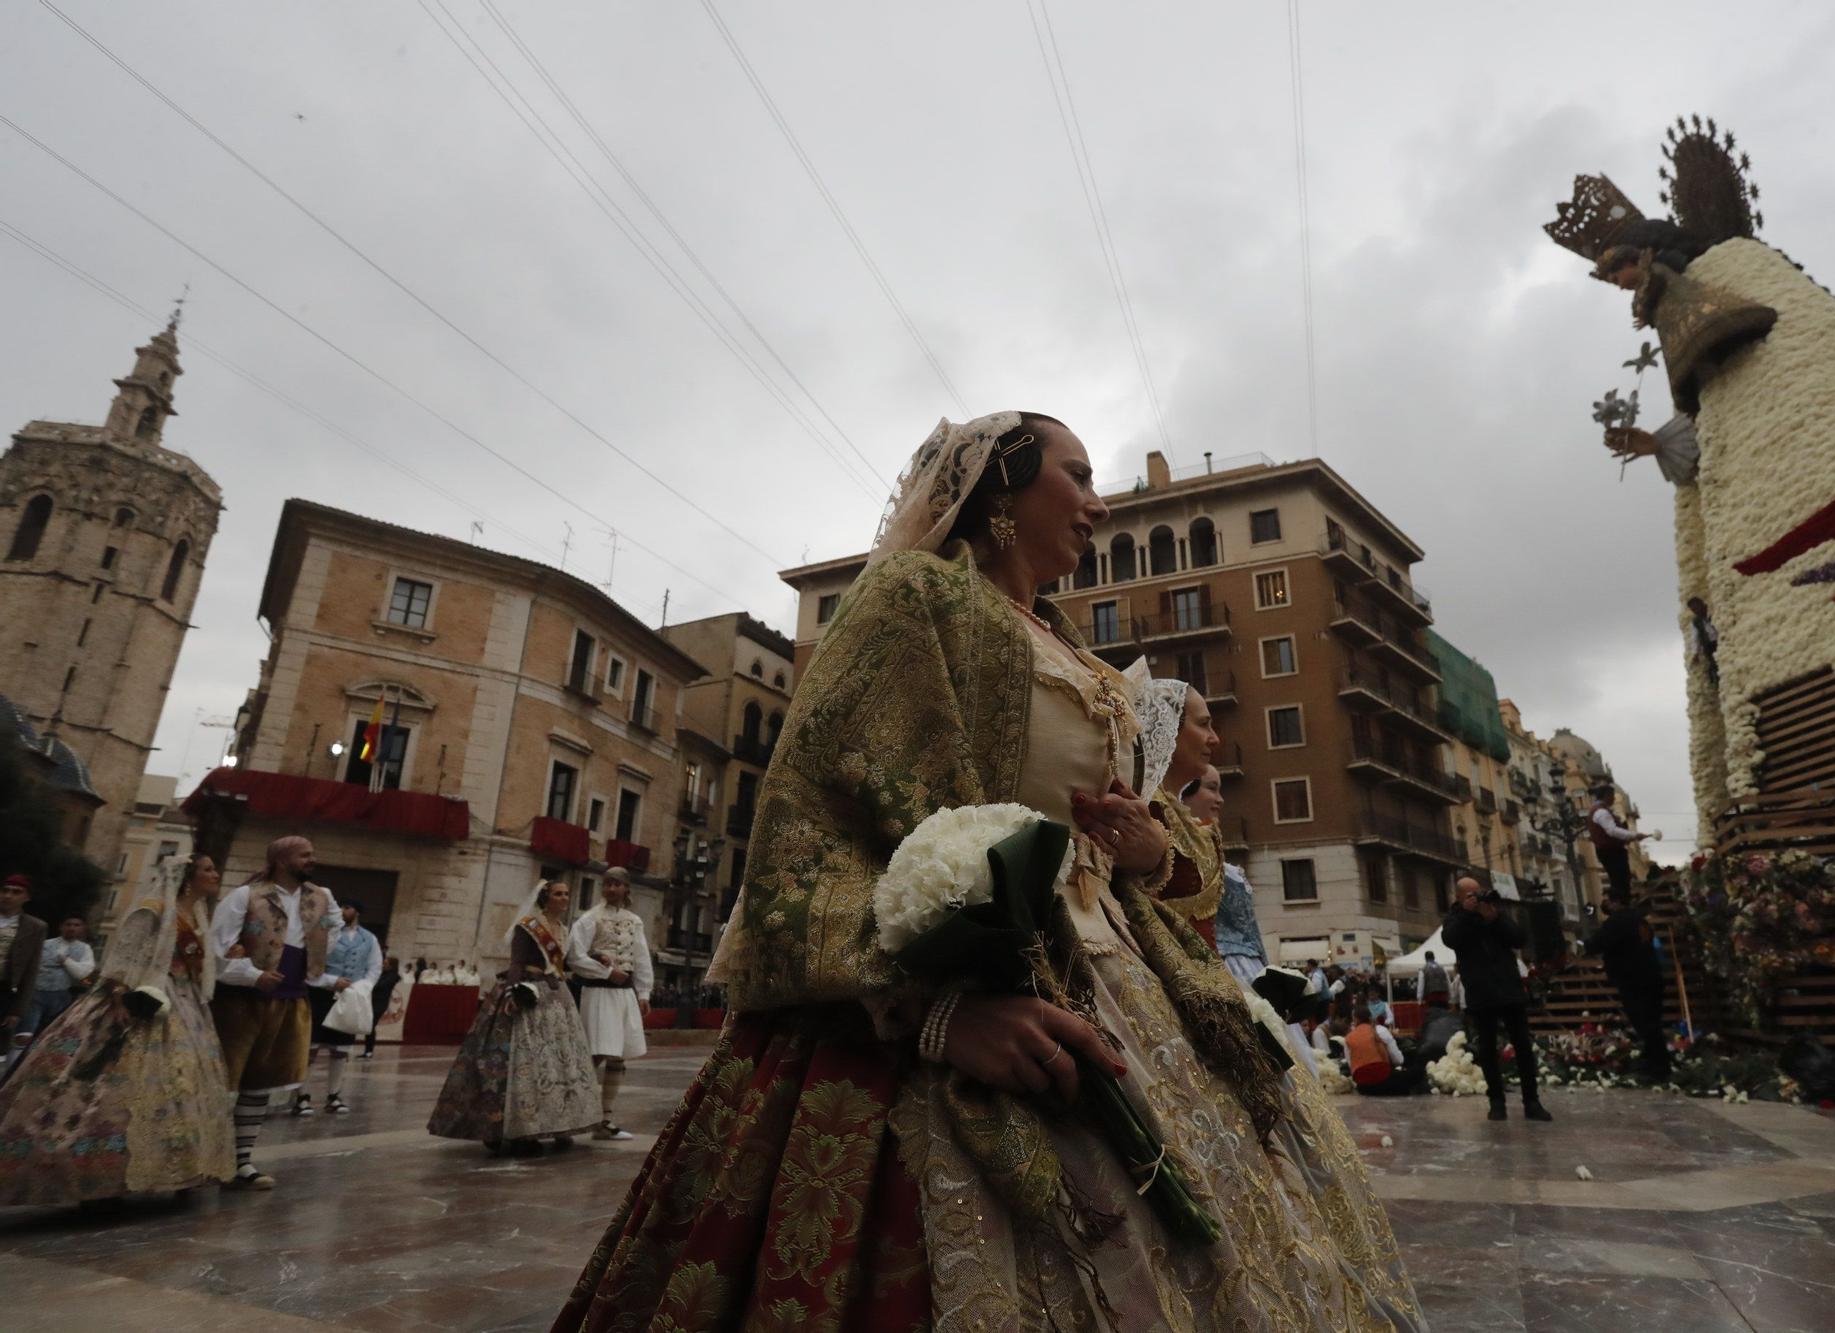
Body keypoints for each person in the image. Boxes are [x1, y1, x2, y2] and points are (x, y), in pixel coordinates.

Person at [554, 412, 1424, 1331]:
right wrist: (936, 1010)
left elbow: (1143, 853)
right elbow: (807, 827)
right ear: (1000, 495)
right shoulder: (914, 599)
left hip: (1128, 978)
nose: (1098, 502)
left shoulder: (1074, 650)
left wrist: (1147, 847)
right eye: (1076, 476)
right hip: (964, 1002)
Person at [0, 855, 232, 1206]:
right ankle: (96, 1176)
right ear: (187, 877)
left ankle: (180, 1169)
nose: (215, 875)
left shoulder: (197, 916)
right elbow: (122, 957)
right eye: (208, 870)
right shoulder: (152, 909)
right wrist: (121, 998)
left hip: (184, 1003)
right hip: (138, 1000)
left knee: (184, 1088)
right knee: (110, 1091)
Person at [428, 879, 599, 1153]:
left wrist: (598, 956)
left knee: (557, 1063)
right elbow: (517, 962)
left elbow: (565, 962)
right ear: (546, 898)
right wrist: (512, 994)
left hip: (557, 998)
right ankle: (517, 1130)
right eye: (558, 894)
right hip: (529, 993)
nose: (564, 898)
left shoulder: (564, 929)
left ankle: (558, 1123)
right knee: (526, 1064)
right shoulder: (529, 926)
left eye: (567, 894)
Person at [209, 835, 340, 1190]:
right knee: (223, 1080)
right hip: (242, 1001)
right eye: (305, 855)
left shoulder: (322, 898)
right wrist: (251, 974)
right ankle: (205, 1157)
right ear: (282, 860)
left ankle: (242, 1161)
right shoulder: (247, 895)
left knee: (261, 1084)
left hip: (291, 998)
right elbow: (216, 947)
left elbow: (332, 935)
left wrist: (318, 971)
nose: (312, 859)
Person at [1442, 876, 1551, 1123]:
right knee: (1488, 1049)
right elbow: (1451, 939)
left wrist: (1495, 917)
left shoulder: (1494, 913)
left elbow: (1518, 938)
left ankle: (1532, 1101)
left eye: (1477, 893)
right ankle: (1497, 1102)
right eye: (1470, 895)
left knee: (1523, 1046)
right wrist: (1469, 915)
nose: (1476, 898)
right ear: (1459, 899)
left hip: (1509, 990)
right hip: (1482, 993)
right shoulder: (1455, 919)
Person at [1129, 666, 1224, 947]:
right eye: (1204, 724)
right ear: (1168, 725)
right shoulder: (1145, 807)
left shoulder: (1174, 810)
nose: (1214, 738)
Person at [566, 866, 653, 1141]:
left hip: (623, 994)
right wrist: (605, 972)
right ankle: (571, 1114)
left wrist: (644, 993)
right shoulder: (590, 918)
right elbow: (575, 956)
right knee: (596, 1053)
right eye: (607, 884)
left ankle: (605, 1119)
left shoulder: (634, 920)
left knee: (618, 1055)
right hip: (599, 992)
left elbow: (641, 958)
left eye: (616, 884)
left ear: (626, 888)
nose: (611, 889)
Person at [1184, 764, 1268, 985]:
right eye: (1211, 788)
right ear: (1186, 789)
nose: (1219, 800)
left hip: (1249, 969)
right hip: (1213, 968)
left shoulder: (1218, 857)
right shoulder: (1177, 856)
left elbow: (1253, 934)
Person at [295, 903, 382, 1115]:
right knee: (311, 1047)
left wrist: (363, 987)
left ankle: (334, 1095)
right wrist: (330, 981)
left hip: (350, 996)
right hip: (321, 994)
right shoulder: (325, 933)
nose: (344, 911)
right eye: (341, 907)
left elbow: (374, 966)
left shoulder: (369, 938)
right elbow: (311, 963)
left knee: (341, 1049)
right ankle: (302, 1097)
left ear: (357, 911)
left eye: (348, 907)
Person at [1583, 894, 1671, 1083]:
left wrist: (1585, 943)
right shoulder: (1639, 919)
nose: (1604, 902)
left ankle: (1658, 1068)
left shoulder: (1618, 921)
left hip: (1633, 979)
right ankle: (1653, 1061)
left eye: (1608, 898)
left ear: (1616, 901)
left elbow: (1596, 943)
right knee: (1651, 1021)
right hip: (1650, 976)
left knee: (1644, 1022)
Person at [25, 914, 96, 1040]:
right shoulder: (45, 944)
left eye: (76, 925)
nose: (72, 928)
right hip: (36, 994)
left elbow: (83, 973)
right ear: (61, 927)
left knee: (51, 1034)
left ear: (82, 928)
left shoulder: (85, 949)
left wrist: (66, 961)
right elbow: (30, 966)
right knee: (26, 1032)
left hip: (61, 996)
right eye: (68, 924)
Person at [1, 875, 48, 1058]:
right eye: (5, 890)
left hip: (4, 991)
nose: (8, 895)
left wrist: (17, 1010)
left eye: (15, 892)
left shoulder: (35, 927)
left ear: (26, 897)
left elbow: (31, 970)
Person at [1586, 784, 1651, 899]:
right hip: (1611, 852)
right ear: (1606, 795)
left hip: (1609, 851)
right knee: (1620, 880)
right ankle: (1621, 904)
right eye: (1612, 795)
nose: (1614, 799)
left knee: (1619, 880)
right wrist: (1634, 835)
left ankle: (1621, 902)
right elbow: (1612, 831)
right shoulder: (1601, 812)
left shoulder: (1598, 811)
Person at [1346, 1014, 1425, 1097]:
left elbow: (1351, 1067)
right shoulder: (1380, 1031)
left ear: (1355, 1021)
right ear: (1371, 1020)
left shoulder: (1349, 1037)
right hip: (1384, 1080)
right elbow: (1398, 1060)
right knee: (1417, 1071)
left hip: (1363, 1087)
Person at [363, 954, 400, 1058]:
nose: (383, 965)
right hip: (373, 1001)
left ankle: (369, 1051)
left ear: (391, 966)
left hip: (380, 1003)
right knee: (369, 1026)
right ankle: (368, 1050)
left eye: (385, 964)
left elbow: (380, 985)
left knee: (371, 1026)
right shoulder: (382, 974)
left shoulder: (392, 976)